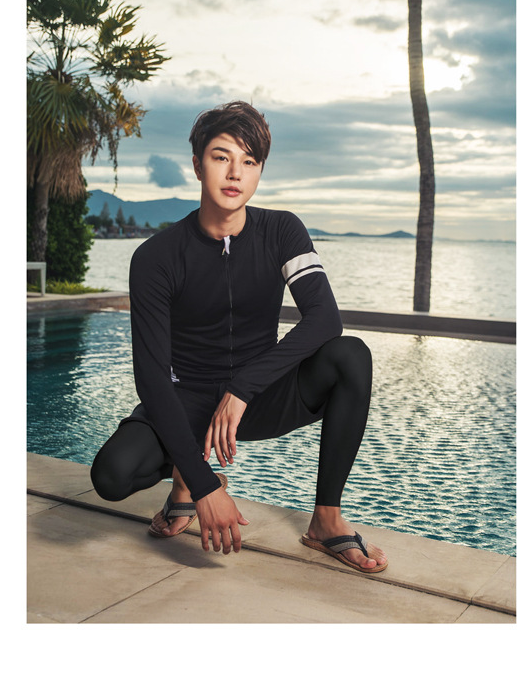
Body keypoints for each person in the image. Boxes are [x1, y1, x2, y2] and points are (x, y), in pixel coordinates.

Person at [91, 101, 387, 573]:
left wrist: (243, 387)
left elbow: (325, 319)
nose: (235, 173)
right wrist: (204, 483)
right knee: (110, 475)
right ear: (197, 164)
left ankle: (326, 519)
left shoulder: (282, 231)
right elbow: (151, 378)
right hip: (186, 400)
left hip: (258, 397)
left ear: (259, 171)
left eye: (249, 161)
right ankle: (185, 480)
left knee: (350, 355)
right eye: (221, 157)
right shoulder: (155, 258)